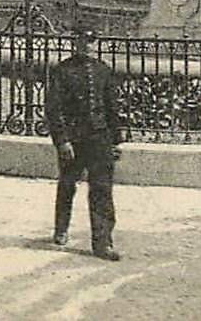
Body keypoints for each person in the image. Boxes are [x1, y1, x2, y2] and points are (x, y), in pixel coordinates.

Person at [45, 22, 123, 261]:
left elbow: (112, 108)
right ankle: (61, 228)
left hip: (99, 138)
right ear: (74, 43)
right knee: (68, 184)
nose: (86, 46)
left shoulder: (103, 70)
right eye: (81, 41)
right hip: (74, 139)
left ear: (95, 43)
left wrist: (116, 141)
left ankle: (103, 243)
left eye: (90, 41)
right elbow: (54, 108)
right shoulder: (63, 70)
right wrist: (62, 140)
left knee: (102, 189)